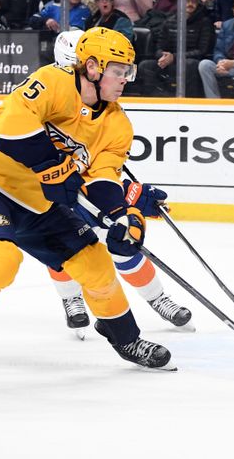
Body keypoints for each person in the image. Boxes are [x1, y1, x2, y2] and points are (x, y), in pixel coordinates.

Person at [0, 27, 175, 393]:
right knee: (0, 260)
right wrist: (54, 167)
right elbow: (13, 131)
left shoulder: (117, 124)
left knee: (95, 263)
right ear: (92, 67)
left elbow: (102, 179)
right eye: (119, 70)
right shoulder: (52, 81)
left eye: (128, 71)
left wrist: (120, 215)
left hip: (36, 205)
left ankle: (125, 339)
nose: (126, 79)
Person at [48, 29, 194, 335]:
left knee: (123, 241)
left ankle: (158, 298)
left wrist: (126, 198)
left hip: (84, 185)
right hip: (49, 190)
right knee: (60, 246)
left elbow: (102, 166)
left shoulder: (108, 108)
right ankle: (72, 298)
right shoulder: (52, 99)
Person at [136, 0, 215, 97]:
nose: (190, 4)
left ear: (198, 3)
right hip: (171, 61)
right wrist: (163, 56)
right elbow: (159, 47)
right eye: (187, 0)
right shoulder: (169, 21)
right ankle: (157, 98)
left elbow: (202, 51)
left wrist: (175, 57)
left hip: (190, 61)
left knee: (190, 64)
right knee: (145, 65)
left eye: (193, 1)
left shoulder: (204, 22)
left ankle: (189, 100)